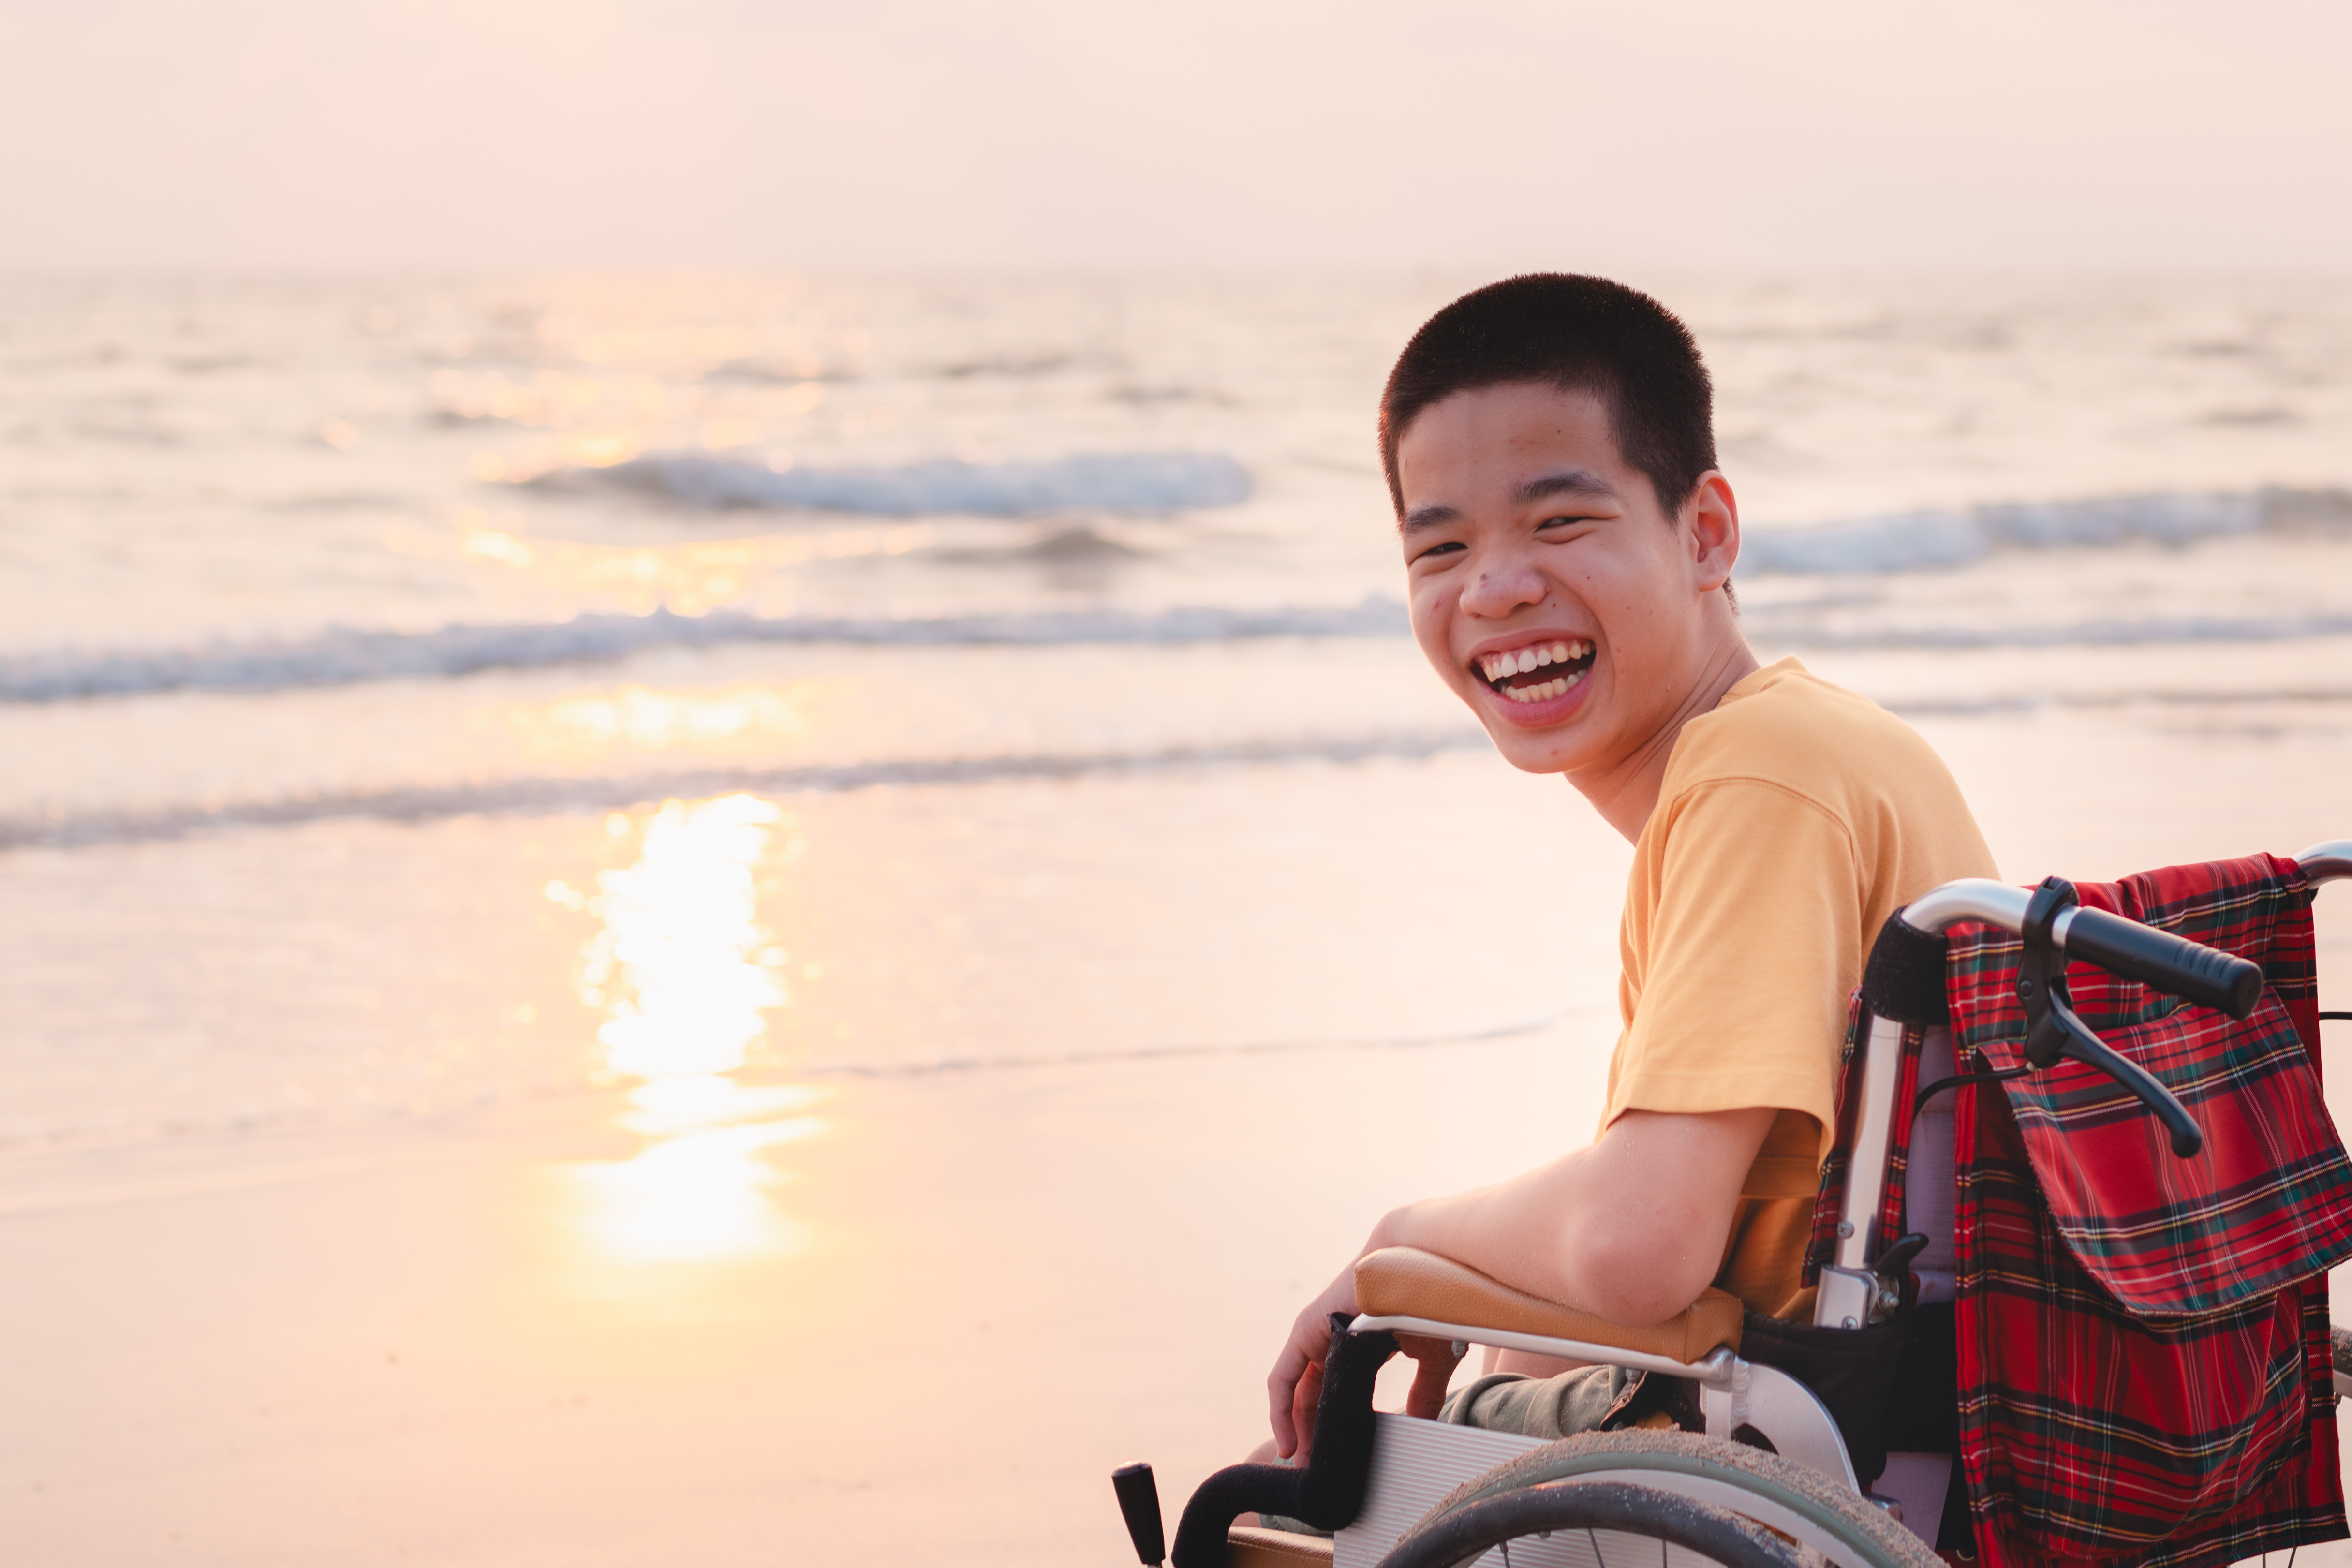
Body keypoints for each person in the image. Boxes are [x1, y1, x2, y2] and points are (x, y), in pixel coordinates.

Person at [1261, 274, 1998, 1468]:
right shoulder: (1814, 742)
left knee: (1296, 1491)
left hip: (1816, 1456)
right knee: (1512, 1352)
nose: (1492, 588)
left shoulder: (1754, 777)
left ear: (1703, 533)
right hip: (1905, 1404)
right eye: (1440, 545)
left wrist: (1397, 1245)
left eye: (1558, 523)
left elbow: (1637, 1246)